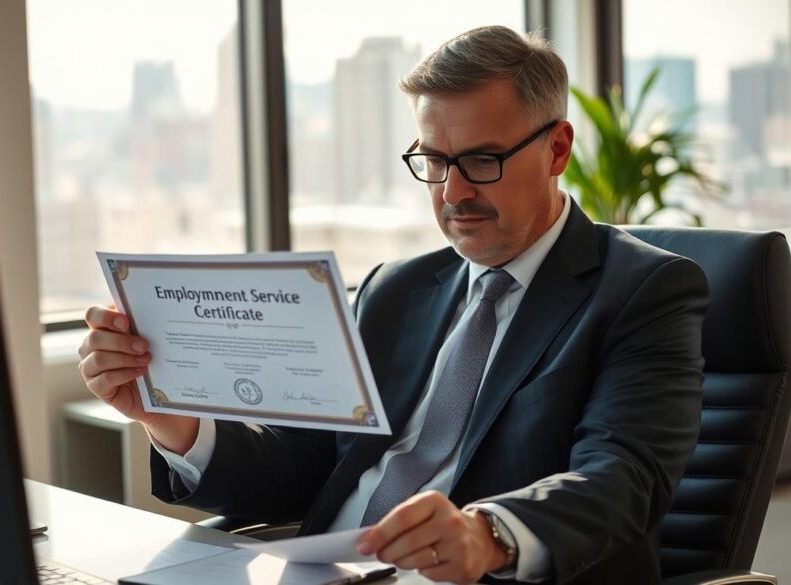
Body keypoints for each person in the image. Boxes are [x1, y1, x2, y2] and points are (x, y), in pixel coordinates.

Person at [78, 25, 707, 585]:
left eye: (482, 160)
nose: (453, 191)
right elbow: (307, 469)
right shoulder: (395, 289)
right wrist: (167, 415)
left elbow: (623, 478)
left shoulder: (644, 291)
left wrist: (485, 535)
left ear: (558, 150)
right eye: (434, 161)